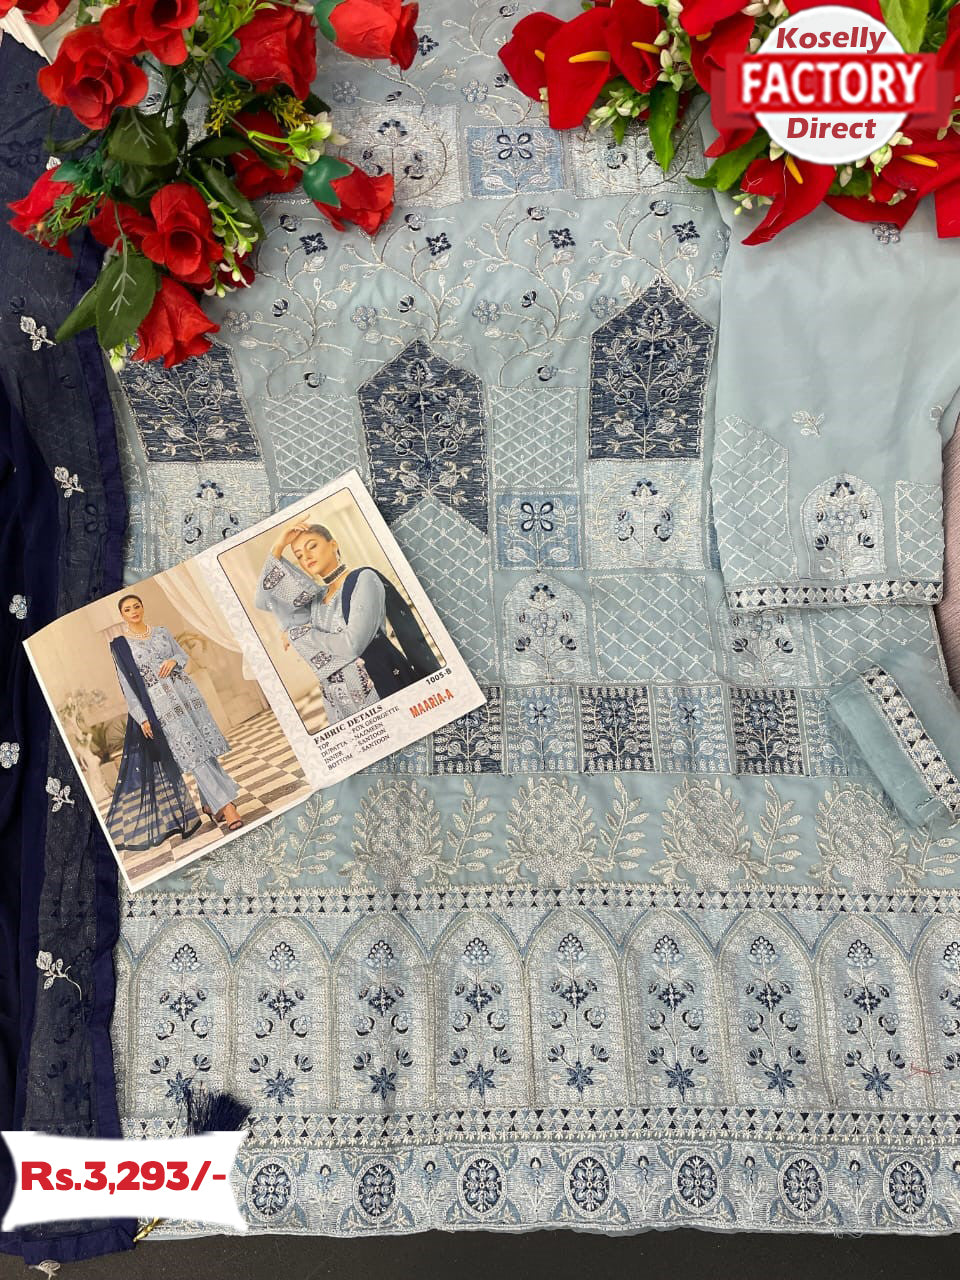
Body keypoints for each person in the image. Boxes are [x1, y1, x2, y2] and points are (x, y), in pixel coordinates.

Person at [255, 522, 440, 726]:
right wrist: (278, 546)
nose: (306, 557)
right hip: (341, 704)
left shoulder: (363, 579)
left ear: (333, 544)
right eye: (299, 555)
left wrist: (297, 635)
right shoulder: (316, 599)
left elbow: (352, 645)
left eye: (312, 546)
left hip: (381, 686)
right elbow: (264, 601)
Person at [106, 594, 243, 851]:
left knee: (204, 749)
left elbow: (182, 656)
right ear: (122, 615)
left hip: (187, 695)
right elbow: (126, 685)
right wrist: (142, 718)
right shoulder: (121, 646)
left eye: (137, 606)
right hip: (160, 706)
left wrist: (174, 661)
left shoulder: (161, 632)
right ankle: (227, 806)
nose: (134, 611)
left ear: (143, 607)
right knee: (192, 753)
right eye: (128, 609)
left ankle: (209, 804)